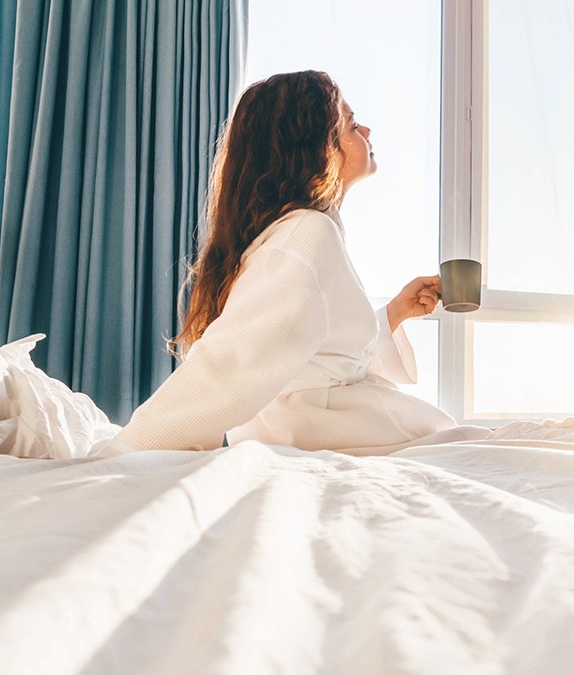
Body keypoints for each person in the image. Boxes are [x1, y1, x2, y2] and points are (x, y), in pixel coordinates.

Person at [110, 71, 487, 455]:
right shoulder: (306, 234)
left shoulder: (299, 234)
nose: (367, 131)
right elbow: (233, 365)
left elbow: (316, 362)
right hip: (332, 442)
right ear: (316, 149)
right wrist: (122, 454)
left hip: (333, 435)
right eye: (352, 125)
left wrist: (392, 314)